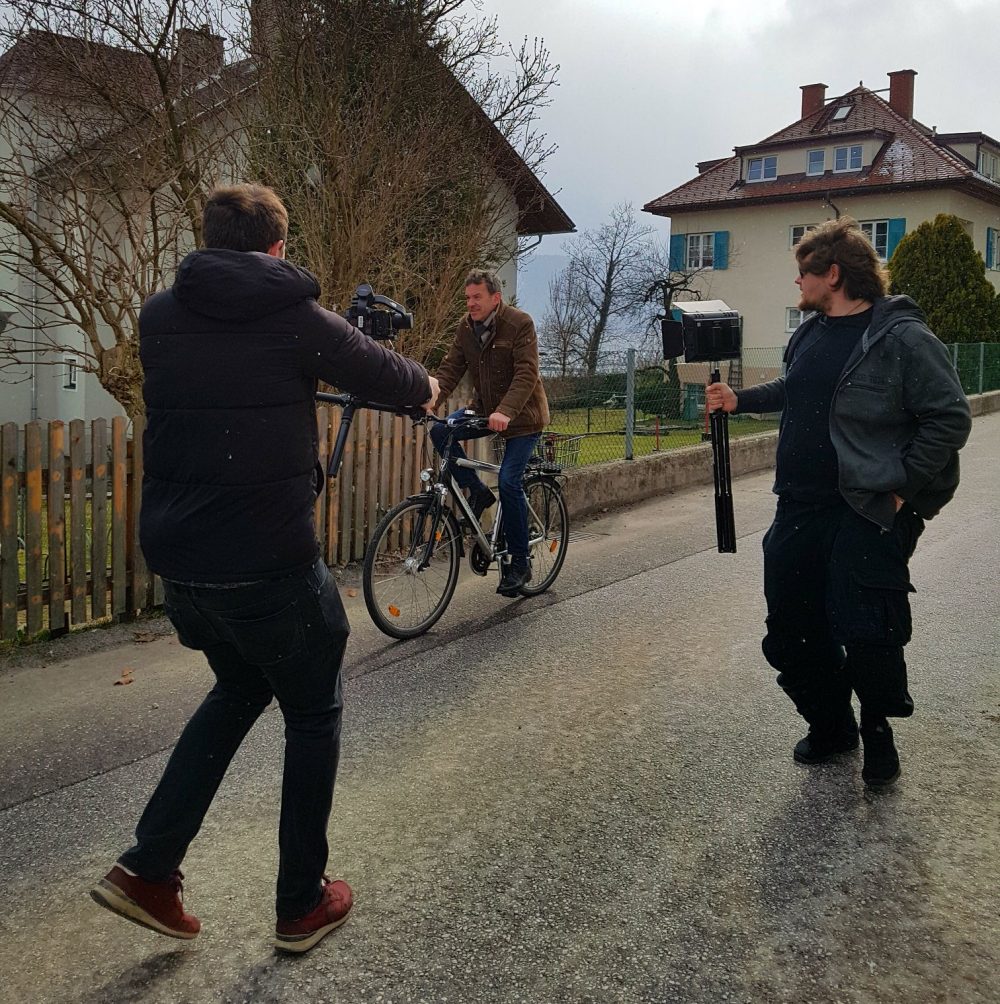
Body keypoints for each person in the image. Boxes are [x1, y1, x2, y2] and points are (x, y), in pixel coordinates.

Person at [90, 184, 437, 953]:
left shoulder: (158, 317)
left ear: (209, 241)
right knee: (313, 707)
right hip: (266, 563)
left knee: (243, 684)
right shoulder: (294, 319)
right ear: (278, 248)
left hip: (183, 566)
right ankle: (300, 903)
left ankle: (149, 868)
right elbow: (385, 373)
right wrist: (429, 386)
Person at [706, 216, 971, 788]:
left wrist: (900, 490)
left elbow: (949, 417)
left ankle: (877, 730)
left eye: (803, 274)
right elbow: (794, 390)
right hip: (797, 505)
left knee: (867, 629)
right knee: (791, 630)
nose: (796, 285)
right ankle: (831, 724)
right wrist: (738, 399)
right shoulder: (809, 333)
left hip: (866, 507)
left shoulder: (902, 338)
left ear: (833, 274)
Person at [431, 269, 550, 596]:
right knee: (441, 432)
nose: (470, 304)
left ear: (495, 298)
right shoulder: (466, 328)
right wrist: (428, 400)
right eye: (467, 298)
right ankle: (478, 492)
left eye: (476, 297)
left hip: (523, 416)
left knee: (510, 481)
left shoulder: (519, 323)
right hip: (486, 410)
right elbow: (450, 369)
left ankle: (520, 561)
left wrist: (506, 411)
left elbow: (527, 373)